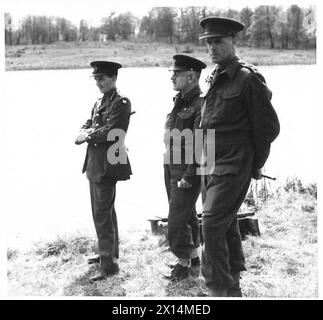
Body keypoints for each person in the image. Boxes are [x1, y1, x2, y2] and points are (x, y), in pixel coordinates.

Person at [198, 17, 280, 296]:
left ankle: (219, 289)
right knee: (225, 220)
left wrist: (255, 164)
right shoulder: (213, 76)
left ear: (234, 41)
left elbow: (267, 128)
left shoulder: (248, 78)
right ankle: (232, 277)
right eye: (208, 42)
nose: (212, 47)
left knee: (210, 224)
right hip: (208, 159)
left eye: (218, 41)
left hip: (234, 159)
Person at [75, 61, 132, 282]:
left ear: (113, 78)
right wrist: (83, 130)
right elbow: (89, 122)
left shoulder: (122, 102)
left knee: (102, 213)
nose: (98, 83)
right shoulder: (100, 101)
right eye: (96, 79)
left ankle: (108, 265)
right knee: (104, 211)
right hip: (95, 163)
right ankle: (107, 255)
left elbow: (112, 131)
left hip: (109, 163)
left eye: (102, 78)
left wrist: (87, 135)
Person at [163, 54, 206, 281]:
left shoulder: (200, 103)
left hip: (187, 170)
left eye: (177, 74)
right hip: (172, 165)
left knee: (176, 220)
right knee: (187, 214)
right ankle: (194, 257)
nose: (172, 77)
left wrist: (190, 174)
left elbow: (200, 142)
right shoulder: (181, 100)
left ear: (191, 76)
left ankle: (182, 263)